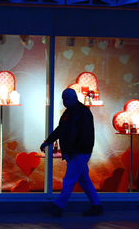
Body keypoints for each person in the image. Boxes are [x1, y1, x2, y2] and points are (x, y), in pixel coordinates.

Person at [40, 88, 103, 217]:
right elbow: (62, 130)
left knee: (69, 179)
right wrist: (48, 141)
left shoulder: (77, 113)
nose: (64, 101)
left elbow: (82, 134)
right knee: (83, 179)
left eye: (66, 98)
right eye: (63, 98)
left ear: (74, 98)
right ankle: (96, 205)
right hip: (79, 151)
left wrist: (70, 149)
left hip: (79, 152)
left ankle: (59, 206)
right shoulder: (75, 111)